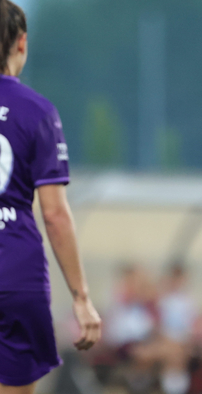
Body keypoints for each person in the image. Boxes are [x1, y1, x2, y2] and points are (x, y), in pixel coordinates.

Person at [0, 1, 101, 392]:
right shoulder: (37, 111)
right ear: (21, 44)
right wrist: (81, 297)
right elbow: (55, 214)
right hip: (15, 271)